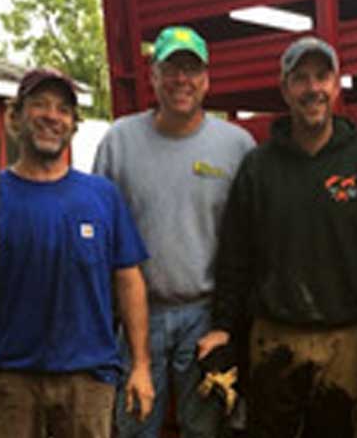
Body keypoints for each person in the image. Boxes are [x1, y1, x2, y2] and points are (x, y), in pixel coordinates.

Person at [197, 36, 357, 438]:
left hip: (346, 339)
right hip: (273, 337)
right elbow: (235, 256)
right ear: (285, 90)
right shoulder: (258, 168)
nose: (312, 89)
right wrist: (224, 324)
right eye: (301, 79)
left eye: (322, 77)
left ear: (336, 85)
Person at [0, 67, 155, 438]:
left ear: (73, 124)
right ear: (16, 116)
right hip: (10, 382)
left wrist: (141, 366)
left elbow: (129, 282)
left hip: (88, 382)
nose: (52, 116)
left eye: (63, 109)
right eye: (39, 105)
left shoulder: (102, 197)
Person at [92, 26, 255, 438]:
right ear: (153, 75)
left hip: (205, 314)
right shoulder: (119, 142)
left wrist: (231, 325)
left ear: (207, 79)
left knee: (203, 429)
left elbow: (251, 242)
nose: (182, 79)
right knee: (135, 426)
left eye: (192, 69)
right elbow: (97, 235)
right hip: (136, 315)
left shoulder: (237, 146)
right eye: (171, 68)